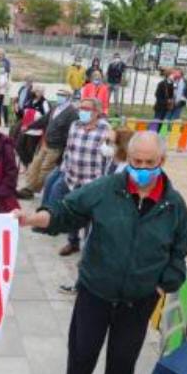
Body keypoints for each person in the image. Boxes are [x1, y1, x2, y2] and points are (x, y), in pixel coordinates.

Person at [15, 131, 187, 374]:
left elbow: (179, 250)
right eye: (137, 161)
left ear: (162, 161)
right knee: (83, 348)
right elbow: (67, 210)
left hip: (138, 300)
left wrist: (163, 285)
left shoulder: (174, 205)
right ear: (128, 158)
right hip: (96, 293)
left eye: (150, 162)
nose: (143, 168)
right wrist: (32, 219)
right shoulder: (107, 189)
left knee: (125, 355)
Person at [54, 97, 114, 257]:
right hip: (72, 178)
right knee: (72, 213)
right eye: (81, 108)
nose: (82, 111)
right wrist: (64, 169)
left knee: (89, 218)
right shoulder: (75, 125)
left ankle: (88, 251)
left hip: (92, 182)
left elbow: (110, 157)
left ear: (97, 112)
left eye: (87, 109)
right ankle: (73, 242)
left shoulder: (106, 129)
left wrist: (104, 181)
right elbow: (68, 148)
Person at [18, 89, 79, 199]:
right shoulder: (55, 108)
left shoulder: (72, 113)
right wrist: (29, 126)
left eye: (62, 95)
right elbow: (43, 120)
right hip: (45, 143)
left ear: (69, 97)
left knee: (45, 169)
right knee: (34, 165)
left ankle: (31, 190)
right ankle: (28, 186)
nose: (59, 96)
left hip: (56, 147)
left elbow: (69, 133)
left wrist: (64, 149)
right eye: (58, 94)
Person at [15, 87, 50, 167]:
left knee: (31, 150)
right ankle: (27, 164)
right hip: (25, 129)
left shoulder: (44, 103)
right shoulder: (29, 101)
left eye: (40, 91)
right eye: (36, 91)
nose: (38, 93)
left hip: (35, 131)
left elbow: (47, 117)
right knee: (18, 146)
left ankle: (31, 166)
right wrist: (17, 110)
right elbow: (22, 114)